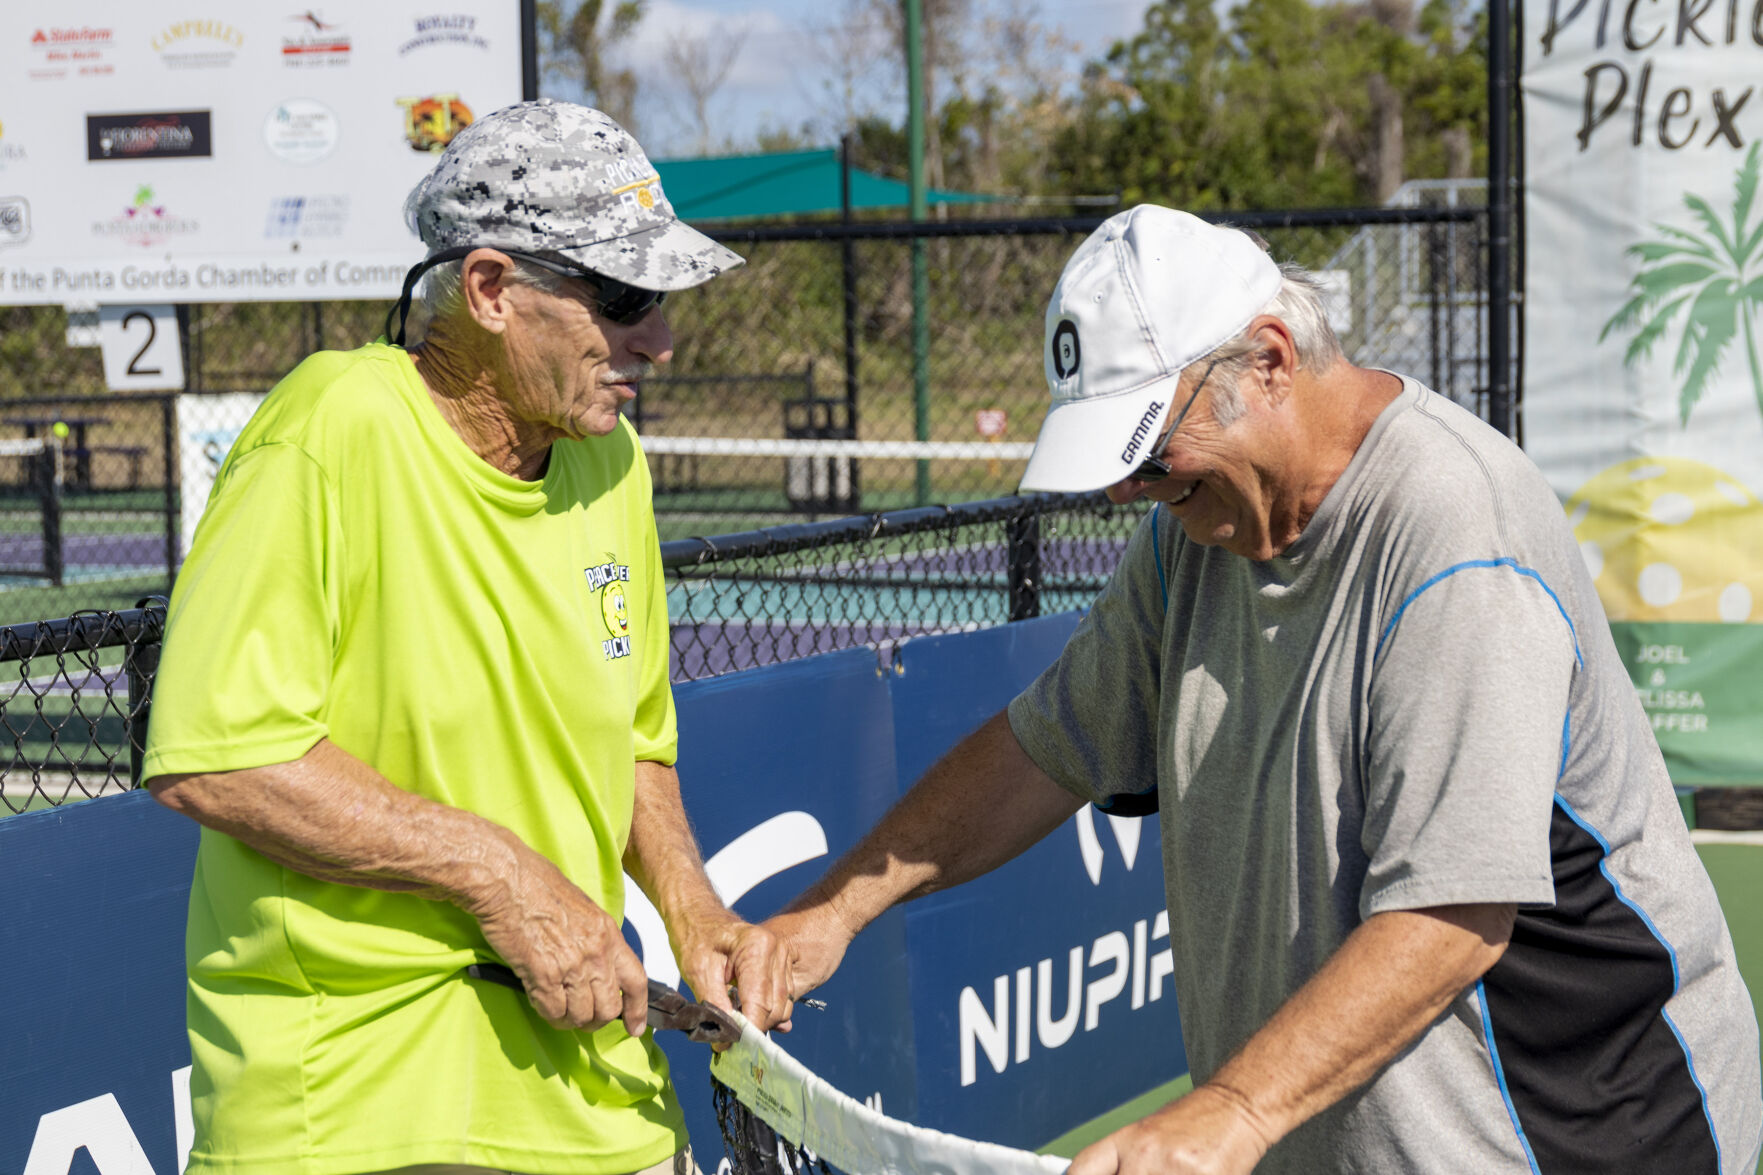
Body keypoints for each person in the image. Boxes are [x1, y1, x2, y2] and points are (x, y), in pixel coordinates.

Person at [764, 205, 1763, 1174]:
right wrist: (834, 907)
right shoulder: (1183, 540)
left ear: (1270, 361)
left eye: (1148, 451)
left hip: (1579, 1132)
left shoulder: (1457, 531)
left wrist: (1233, 1110)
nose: (1128, 492)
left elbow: (1450, 916)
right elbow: (1047, 744)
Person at [142, 99, 793, 1175]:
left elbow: (632, 739)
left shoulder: (610, 460)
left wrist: (693, 912)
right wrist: (501, 876)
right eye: (624, 297)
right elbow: (221, 753)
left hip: (592, 1079)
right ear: (489, 290)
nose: (661, 340)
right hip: (355, 1102)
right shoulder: (329, 426)